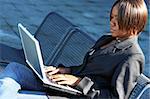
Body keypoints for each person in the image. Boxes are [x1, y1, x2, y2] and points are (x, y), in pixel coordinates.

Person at [0, 0, 148, 99]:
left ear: (133, 23)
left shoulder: (132, 57)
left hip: (74, 95)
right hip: (64, 86)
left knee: (12, 93)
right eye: (112, 16)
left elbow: (113, 97)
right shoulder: (107, 39)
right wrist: (65, 71)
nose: (112, 22)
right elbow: (87, 70)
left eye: (118, 19)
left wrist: (78, 82)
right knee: (14, 70)